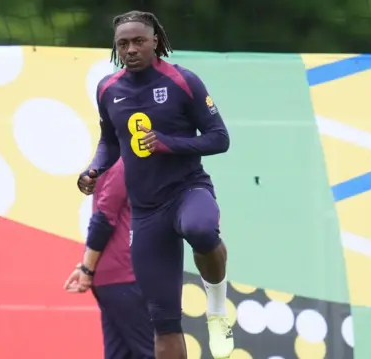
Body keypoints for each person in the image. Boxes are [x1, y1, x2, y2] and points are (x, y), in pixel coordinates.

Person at [76, 10, 234, 359]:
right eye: (123, 44)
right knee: (163, 322)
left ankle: (218, 310)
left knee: (201, 228)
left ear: (155, 42)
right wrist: (93, 170)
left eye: (138, 41)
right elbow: (110, 141)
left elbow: (219, 138)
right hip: (146, 213)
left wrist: (168, 143)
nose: (130, 49)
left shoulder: (182, 81)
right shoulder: (107, 89)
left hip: (187, 191)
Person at [65, 158, 155, 359]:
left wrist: (88, 268)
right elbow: (103, 219)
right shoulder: (123, 162)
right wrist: (87, 270)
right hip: (126, 276)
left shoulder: (110, 162)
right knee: (157, 353)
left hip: (113, 277)